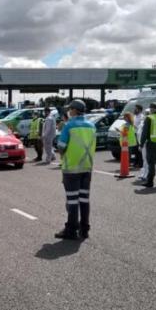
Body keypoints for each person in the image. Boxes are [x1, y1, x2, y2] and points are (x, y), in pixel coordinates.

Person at [55, 99, 96, 240]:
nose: (69, 111)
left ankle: (71, 230)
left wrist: (64, 156)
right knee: (84, 199)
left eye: (70, 109)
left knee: (72, 201)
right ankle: (84, 230)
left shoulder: (69, 126)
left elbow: (61, 146)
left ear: (74, 110)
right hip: (87, 167)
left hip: (71, 168)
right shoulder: (92, 126)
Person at [138, 102, 156, 188]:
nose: (150, 110)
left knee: (151, 163)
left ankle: (150, 182)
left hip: (152, 143)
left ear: (152, 109)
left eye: (150, 109)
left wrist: (141, 144)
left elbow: (144, 132)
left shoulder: (149, 118)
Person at [137, 108, 151, 182]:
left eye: (148, 113)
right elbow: (140, 133)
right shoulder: (143, 122)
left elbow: (144, 134)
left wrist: (141, 144)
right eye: (146, 113)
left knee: (147, 159)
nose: (146, 114)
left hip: (146, 143)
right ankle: (144, 174)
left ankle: (147, 174)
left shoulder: (149, 122)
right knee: (144, 159)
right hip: (143, 143)